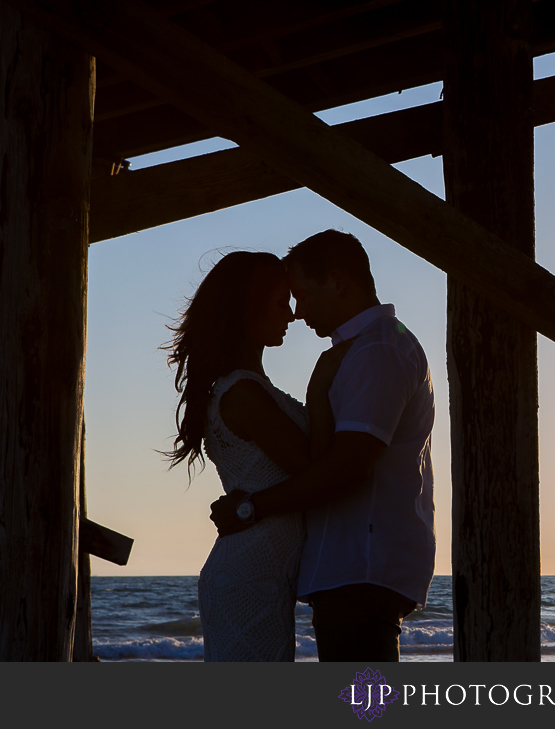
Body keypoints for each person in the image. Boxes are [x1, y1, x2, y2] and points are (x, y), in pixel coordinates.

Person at [210, 230, 436, 662]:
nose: (298, 311)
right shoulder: (360, 351)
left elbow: (349, 466)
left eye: (301, 294)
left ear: (338, 282)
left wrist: (252, 507)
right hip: (349, 570)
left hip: (361, 568)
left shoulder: (378, 351)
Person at [164, 251, 345, 661]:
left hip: (261, 572)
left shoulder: (252, 388)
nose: (292, 314)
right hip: (249, 575)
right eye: (282, 300)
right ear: (249, 306)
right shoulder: (242, 393)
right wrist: (319, 390)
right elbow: (314, 469)